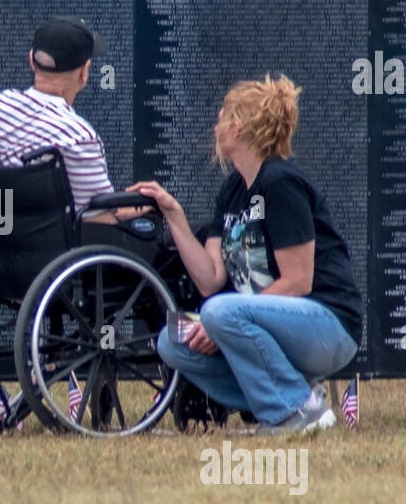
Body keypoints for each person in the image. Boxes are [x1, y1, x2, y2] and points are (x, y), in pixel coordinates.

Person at [129, 73, 362, 433]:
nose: (216, 125)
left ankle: (300, 410)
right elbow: (210, 279)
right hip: (264, 322)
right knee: (172, 341)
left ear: (236, 126)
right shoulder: (233, 189)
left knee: (218, 311)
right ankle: (293, 395)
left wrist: (221, 320)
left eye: (222, 116)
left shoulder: (280, 183)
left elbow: (298, 282)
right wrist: (174, 215)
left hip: (328, 324)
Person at [0, 16, 170, 263]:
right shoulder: (76, 135)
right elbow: (101, 216)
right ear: (84, 72)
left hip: (6, 255)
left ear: (32, 60)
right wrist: (147, 206)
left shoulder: (1, 106)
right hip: (68, 264)